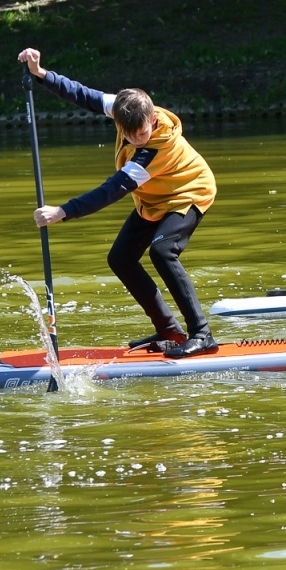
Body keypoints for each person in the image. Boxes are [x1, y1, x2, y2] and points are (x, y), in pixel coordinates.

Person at [19, 48, 220, 357]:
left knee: (162, 251)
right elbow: (82, 95)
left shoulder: (152, 152)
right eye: (131, 136)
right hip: (154, 197)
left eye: (141, 134)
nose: (136, 140)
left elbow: (111, 190)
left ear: (152, 120)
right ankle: (169, 330)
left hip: (188, 191)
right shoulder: (125, 108)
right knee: (120, 258)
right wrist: (41, 74)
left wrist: (63, 211)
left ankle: (202, 334)